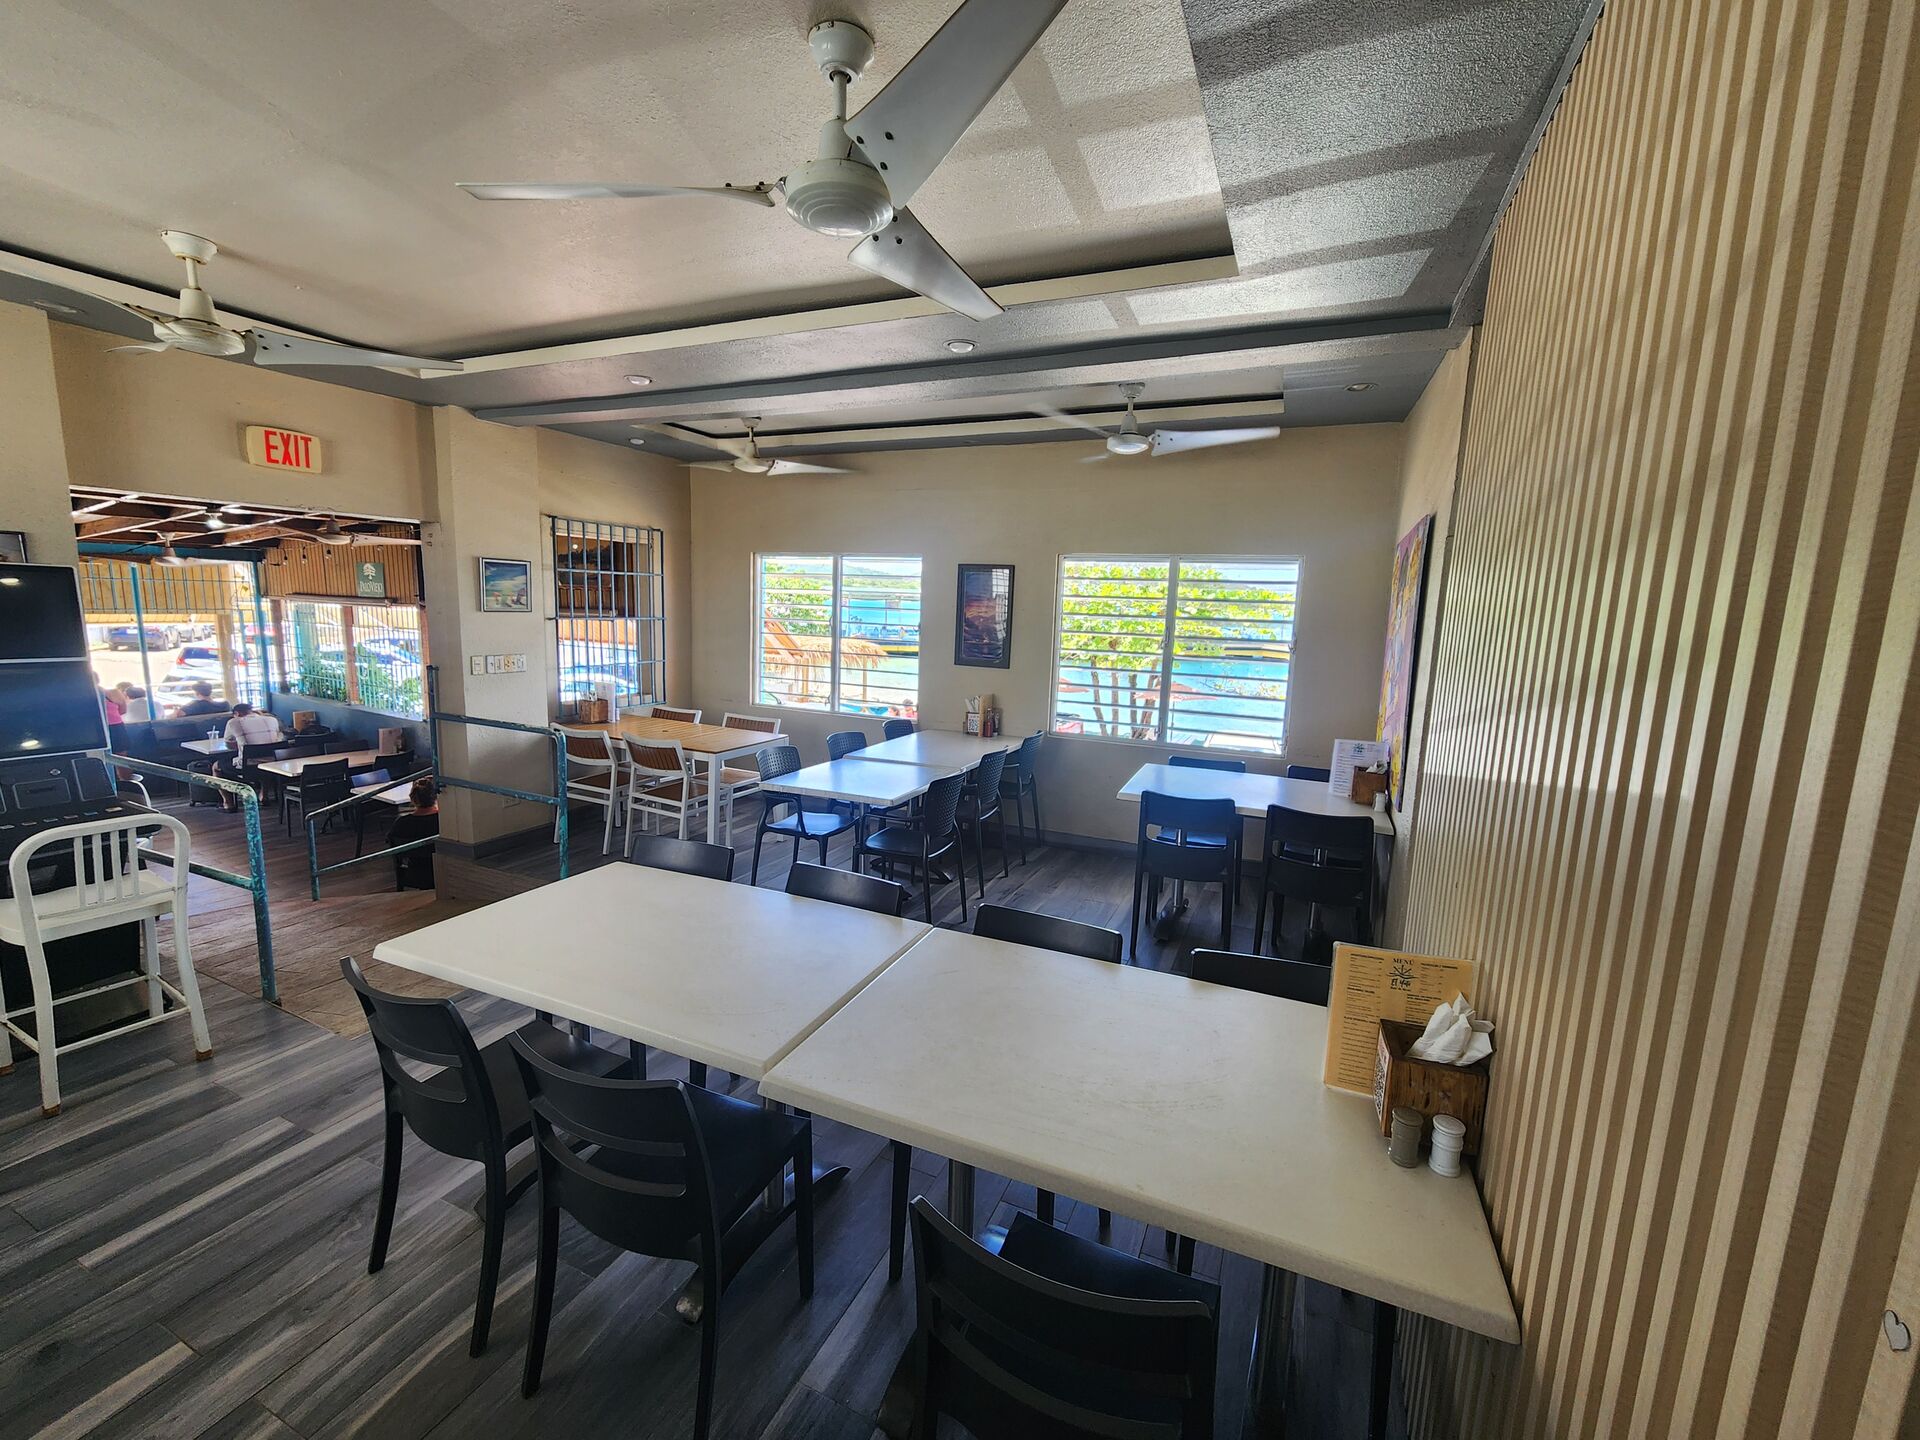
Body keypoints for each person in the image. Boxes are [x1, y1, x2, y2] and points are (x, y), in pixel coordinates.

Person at [213, 703, 283, 810]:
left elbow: (229, 745)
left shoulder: (233, 722)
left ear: (237, 713)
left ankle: (228, 803)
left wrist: (243, 743)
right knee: (263, 761)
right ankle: (264, 796)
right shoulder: (272, 720)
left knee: (216, 767)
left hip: (248, 766)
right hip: (272, 765)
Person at [386, 777, 439, 890]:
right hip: (441, 869)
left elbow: (390, 840)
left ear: (413, 798)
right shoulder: (443, 820)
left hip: (414, 872)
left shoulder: (402, 823)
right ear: (436, 797)